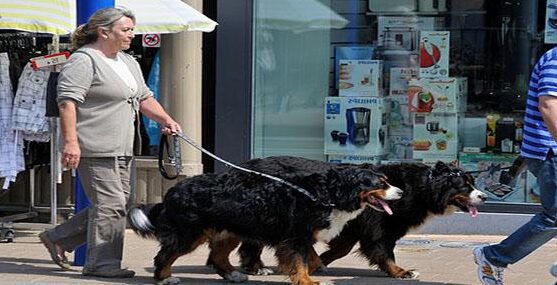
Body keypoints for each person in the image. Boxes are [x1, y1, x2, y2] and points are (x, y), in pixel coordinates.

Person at [38, 7, 181, 278]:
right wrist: (71, 143)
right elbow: (67, 102)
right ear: (104, 32)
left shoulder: (128, 62)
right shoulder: (83, 60)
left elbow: (143, 98)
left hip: (124, 146)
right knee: (110, 205)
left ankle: (58, 238)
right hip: (93, 145)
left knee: (118, 204)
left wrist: (166, 120)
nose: (132, 35)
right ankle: (102, 264)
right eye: (126, 30)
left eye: (132, 29)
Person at [473, 47, 557, 285]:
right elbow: (549, 106)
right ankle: (494, 257)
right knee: (555, 215)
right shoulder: (556, 60)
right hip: (550, 151)